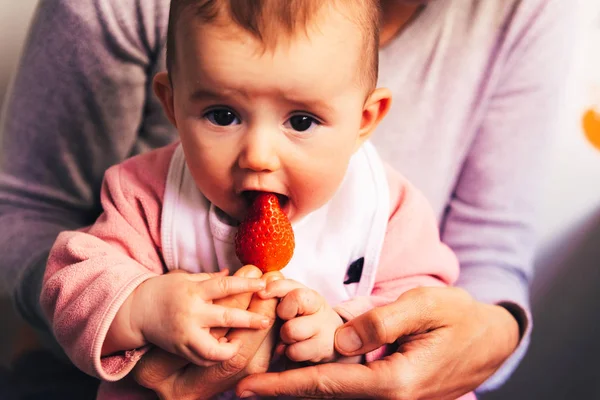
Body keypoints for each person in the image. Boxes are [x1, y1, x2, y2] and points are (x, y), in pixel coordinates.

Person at [0, 0, 577, 398]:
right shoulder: (143, 193)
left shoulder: (387, 208)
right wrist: (137, 306)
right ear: (172, 104)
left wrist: (343, 330)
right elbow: (69, 275)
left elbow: (422, 301)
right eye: (222, 115)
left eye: (301, 120)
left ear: (365, 119)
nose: (258, 154)